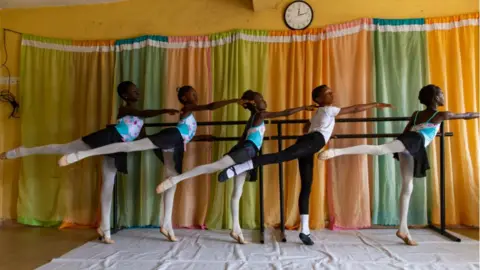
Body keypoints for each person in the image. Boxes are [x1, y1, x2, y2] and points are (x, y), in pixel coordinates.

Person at [58, 85, 248, 242]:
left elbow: (186, 134)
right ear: (183, 97)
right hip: (171, 137)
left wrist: (202, 137)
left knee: (172, 180)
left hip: (176, 145)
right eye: (192, 93)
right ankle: (83, 154)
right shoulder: (187, 109)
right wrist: (234, 100)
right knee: (130, 147)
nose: (195, 95)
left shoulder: (190, 116)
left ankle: (166, 224)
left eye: (196, 93)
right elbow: (211, 107)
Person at [0, 81, 179, 244]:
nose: (137, 92)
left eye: (137, 89)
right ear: (125, 96)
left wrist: (163, 159)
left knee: (109, 184)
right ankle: (20, 151)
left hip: (116, 149)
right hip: (106, 138)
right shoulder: (125, 109)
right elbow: (142, 113)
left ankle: (105, 229)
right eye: (134, 90)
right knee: (61, 148)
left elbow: (146, 142)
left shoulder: (140, 122)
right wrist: (164, 111)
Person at [216, 85, 393, 245]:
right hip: (311, 142)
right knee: (280, 156)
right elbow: (354, 109)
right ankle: (238, 168)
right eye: (328, 93)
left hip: (310, 142)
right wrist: (375, 104)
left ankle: (305, 230)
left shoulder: (320, 113)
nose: (333, 93)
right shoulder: (330, 110)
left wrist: (325, 135)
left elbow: (310, 127)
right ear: (318, 100)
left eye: (331, 91)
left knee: (307, 185)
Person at [318, 84, 479, 246]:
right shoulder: (442, 114)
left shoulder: (417, 114)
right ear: (436, 98)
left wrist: (399, 144)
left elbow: (406, 130)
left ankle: (403, 229)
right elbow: (467, 115)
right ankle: (335, 152)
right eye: (441, 94)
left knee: (408, 186)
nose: (444, 96)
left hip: (411, 144)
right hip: (413, 142)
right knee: (379, 150)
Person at [156, 90, 317, 244]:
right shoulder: (260, 115)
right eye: (261, 98)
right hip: (247, 152)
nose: (265, 101)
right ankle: (175, 179)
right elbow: (285, 113)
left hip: (248, 153)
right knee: (214, 167)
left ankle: (236, 230)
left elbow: (243, 138)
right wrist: (303, 108)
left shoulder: (253, 118)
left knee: (237, 192)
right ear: (253, 102)